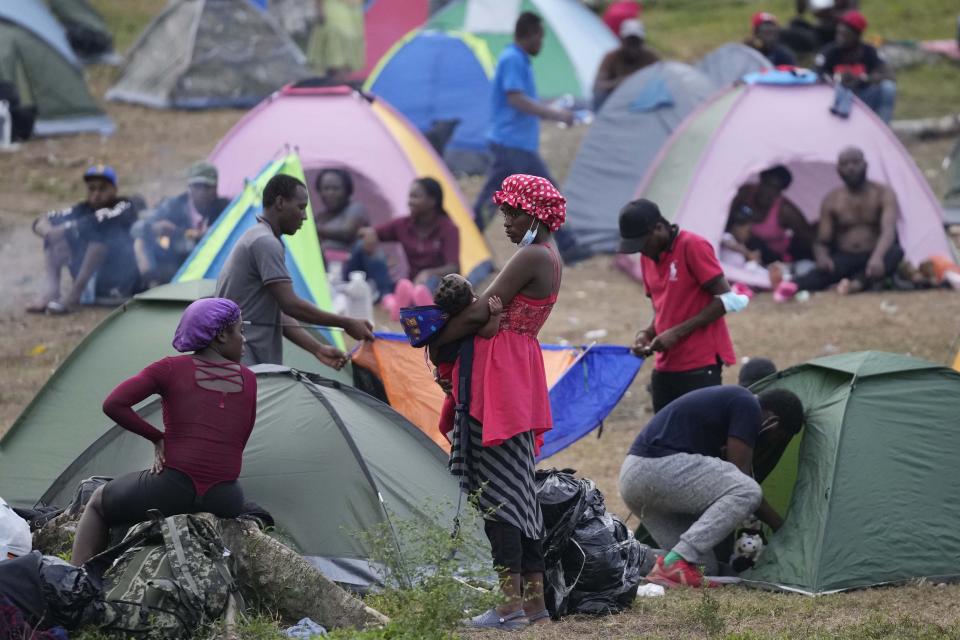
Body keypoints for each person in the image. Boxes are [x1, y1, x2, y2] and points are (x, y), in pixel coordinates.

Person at [433, 175, 566, 630]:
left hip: (498, 382)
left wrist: (432, 339)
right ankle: (534, 604)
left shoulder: (530, 254)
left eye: (513, 212)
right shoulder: (548, 255)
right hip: (515, 374)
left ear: (535, 214)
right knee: (519, 493)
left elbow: (477, 310)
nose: (506, 222)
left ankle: (509, 605)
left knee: (497, 496)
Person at [71, 298, 255, 565]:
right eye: (241, 330)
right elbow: (240, 441)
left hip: (173, 488)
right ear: (221, 335)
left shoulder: (170, 368)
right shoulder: (249, 380)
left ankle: (72, 582)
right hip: (226, 498)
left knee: (99, 501)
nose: (244, 340)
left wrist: (158, 437)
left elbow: (114, 404)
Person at [619, 385, 805, 586]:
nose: (772, 445)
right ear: (773, 422)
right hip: (655, 468)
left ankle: (617, 557)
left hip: (635, 480)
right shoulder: (748, 404)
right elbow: (740, 479)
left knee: (703, 567)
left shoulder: (730, 408)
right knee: (748, 490)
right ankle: (676, 561)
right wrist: (782, 527)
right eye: (779, 438)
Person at [215, 174, 374, 367]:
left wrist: (318, 348)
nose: (305, 216)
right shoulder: (265, 242)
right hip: (244, 357)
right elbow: (291, 304)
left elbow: (278, 314)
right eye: (301, 207)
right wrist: (346, 322)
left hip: (247, 355)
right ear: (280, 202)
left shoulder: (261, 237)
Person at [619, 199, 740, 413]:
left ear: (659, 228)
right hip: (666, 365)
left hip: (699, 364)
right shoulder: (648, 257)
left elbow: (726, 299)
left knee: (701, 438)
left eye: (643, 244)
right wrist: (646, 334)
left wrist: (676, 333)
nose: (642, 252)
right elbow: (664, 308)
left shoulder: (692, 246)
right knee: (664, 440)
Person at [472, 12, 574, 229]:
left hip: (514, 143)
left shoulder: (518, 59)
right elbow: (516, 98)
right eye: (540, 36)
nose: (541, 43)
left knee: (494, 195)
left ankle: (470, 235)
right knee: (546, 192)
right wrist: (553, 114)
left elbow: (522, 97)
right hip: (512, 142)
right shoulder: (513, 59)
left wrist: (550, 107)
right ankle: (570, 245)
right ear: (530, 34)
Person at [28, 165, 140, 314]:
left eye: (102, 189)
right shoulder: (82, 209)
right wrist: (50, 234)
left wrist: (65, 229)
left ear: (114, 189)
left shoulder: (125, 204)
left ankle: (74, 295)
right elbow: (41, 220)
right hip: (91, 279)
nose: (96, 194)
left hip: (120, 282)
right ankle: (52, 291)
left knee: (99, 237)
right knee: (54, 236)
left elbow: (101, 219)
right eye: (92, 189)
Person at [792, 147, 902, 295]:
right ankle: (790, 285)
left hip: (875, 253)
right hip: (846, 257)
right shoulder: (832, 199)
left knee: (895, 253)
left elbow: (888, 231)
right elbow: (822, 240)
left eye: (855, 162)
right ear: (838, 169)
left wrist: (877, 257)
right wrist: (822, 257)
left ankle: (857, 284)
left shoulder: (883, 193)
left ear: (865, 165)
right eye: (845, 164)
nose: (850, 168)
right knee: (817, 275)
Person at [347, 177, 460, 299]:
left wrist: (428, 273)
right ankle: (382, 296)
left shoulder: (449, 229)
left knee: (429, 284)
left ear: (432, 201)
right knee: (362, 245)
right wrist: (369, 235)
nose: (409, 202)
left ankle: (413, 303)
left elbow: (453, 267)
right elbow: (369, 232)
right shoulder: (403, 224)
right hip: (409, 284)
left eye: (415, 197)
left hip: (437, 285)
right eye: (409, 197)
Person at [132, 161, 230, 288]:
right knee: (140, 242)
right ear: (189, 188)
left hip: (212, 266)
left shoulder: (225, 208)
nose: (202, 191)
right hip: (175, 263)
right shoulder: (173, 206)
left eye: (207, 187)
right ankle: (150, 285)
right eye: (197, 186)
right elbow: (136, 229)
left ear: (216, 189)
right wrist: (155, 228)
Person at [816, 10, 896, 123]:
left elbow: (889, 74)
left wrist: (863, 78)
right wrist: (836, 79)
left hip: (863, 98)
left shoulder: (869, 51)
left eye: (845, 34)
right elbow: (816, 73)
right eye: (838, 33)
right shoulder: (829, 51)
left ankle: (882, 129)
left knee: (888, 88)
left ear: (857, 35)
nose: (840, 37)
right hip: (835, 98)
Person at [728, 165, 815, 265]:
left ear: (780, 191)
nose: (768, 191)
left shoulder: (785, 211)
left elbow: (808, 237)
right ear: (761, 180)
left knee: (755, 243)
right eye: (767, 184)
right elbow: (723, 218)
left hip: (772, 258)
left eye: (775, 188)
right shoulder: (744, 193)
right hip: (736, 247)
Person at [592, 19, 660, 111]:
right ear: (622, 40)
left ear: (642, 41)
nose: (632, 46)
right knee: (599, 95)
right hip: (618, 99)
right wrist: (621, 82)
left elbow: (663, 81)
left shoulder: (651, 57)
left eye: (636, 41)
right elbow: (598, 85)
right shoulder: (611, 57)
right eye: (629, 41)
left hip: (643, 98)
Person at [305, 0, 364, 83]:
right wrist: (319, 10)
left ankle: (341, 83)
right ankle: (336, 83)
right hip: (334, 11)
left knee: (349, 51)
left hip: (353, 12)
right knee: (336, 52)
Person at [314, 168, 368, 255]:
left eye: (336, 189)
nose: (330, 193)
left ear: (347, 191)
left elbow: (346, 233)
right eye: (326, 188)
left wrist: (313, 229)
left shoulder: (356, 208)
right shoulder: (320, 217)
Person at [780, 0, 859, 54]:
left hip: (835, 30)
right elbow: (800, 11)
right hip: (818, 28)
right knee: (795, 22)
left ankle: (817, 49)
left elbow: (852, 15)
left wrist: (829, 13)